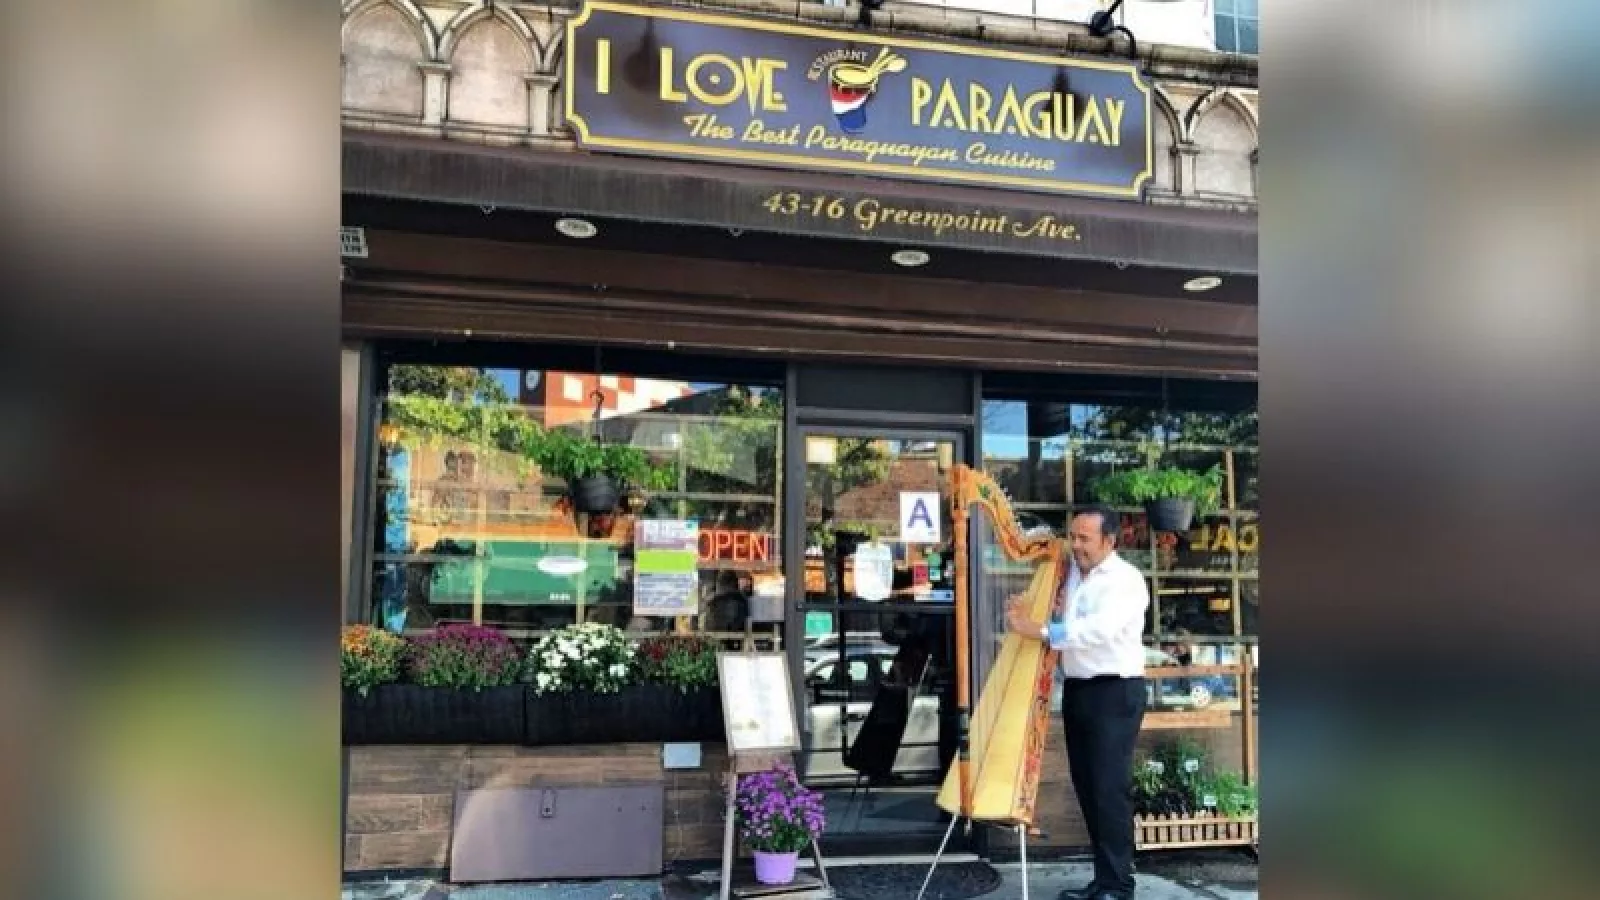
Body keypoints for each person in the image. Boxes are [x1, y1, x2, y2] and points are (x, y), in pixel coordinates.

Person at [1006, 505, 1149, 900]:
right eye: (1073, 536)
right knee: (1087, 787)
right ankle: (1103, 880)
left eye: (1085, 538)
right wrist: (1027, 610)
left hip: (1115, 692)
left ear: (1109, 541)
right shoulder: (1070, 576)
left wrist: (1039, 630)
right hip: (1079, 689)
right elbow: (1062, 621)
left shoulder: (1126, 580)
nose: (1076, 545)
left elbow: (1097, 631)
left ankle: (1119, 886)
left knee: (1109, 790)